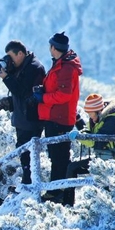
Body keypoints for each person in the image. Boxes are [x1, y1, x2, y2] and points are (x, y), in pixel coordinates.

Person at [32, 31, 83, 202]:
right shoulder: (62, 64)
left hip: (59, 118)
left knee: (59, 157)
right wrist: (44, 90)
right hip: (57, 116)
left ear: (54, 47)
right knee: (58, 155)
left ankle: (57, 193)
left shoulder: (66, 67)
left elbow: (64, 94)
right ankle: (58, 192)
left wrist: (43, 97)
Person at [0, 40, 46, 184]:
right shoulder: (22, 66)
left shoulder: (34, 68)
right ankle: (27, 180)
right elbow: (19, 94)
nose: (9, 61)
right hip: (22, 118)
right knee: (23, 152)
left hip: (30, 119)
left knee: (28, 153)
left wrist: (6, 77)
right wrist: (9, 102)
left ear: (21, 53)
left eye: (11, 57)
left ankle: (30, 182)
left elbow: (23, 92)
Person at [62, 94, 115, 206]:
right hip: (100, 158)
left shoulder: (112, 120)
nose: (90, 117)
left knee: (107, 186)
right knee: (72, 167)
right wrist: (82, 133)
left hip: (114, 161)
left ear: (98, 110)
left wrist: (79, 136)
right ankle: (67, 204)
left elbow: (96, 142)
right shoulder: (97, 119)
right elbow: (88, 131)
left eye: (90, 114)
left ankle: (110, 208)